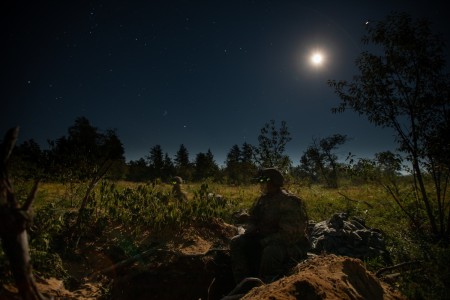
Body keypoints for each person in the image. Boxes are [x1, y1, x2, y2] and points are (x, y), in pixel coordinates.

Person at [230, 168, 310, 284]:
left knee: (270, 252)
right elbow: (255, 218)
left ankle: (267, 284)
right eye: (261, 182)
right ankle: (242, 283)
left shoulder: (288, 202)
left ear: (274, 183)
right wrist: (249, 222)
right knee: (236, 242)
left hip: (291, 245)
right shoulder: (263, 200)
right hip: (266, 238)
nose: (262, 185)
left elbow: (288, 235)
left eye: (265, 181)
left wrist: (264, 241)